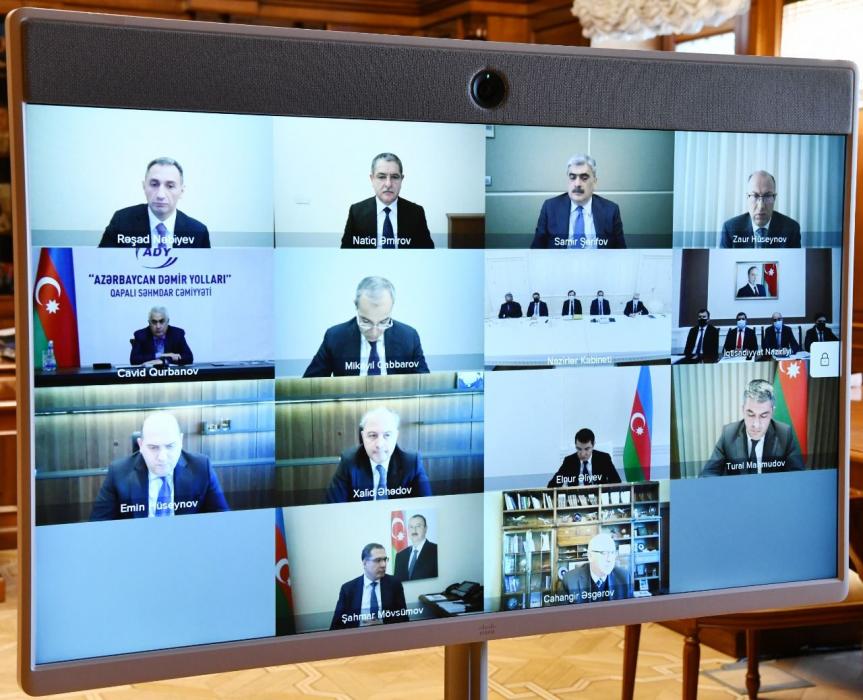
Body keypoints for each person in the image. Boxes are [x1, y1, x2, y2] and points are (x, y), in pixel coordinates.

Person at [90, 413, 228, 520]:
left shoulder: (201, 467)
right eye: (153, 447)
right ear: (141, 445)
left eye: (170, 446)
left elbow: (222, 521)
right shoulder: (118, 472)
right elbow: (99, 526)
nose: (162, 457)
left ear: (180, 441)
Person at [303, 276, 429, 377]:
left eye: (383, 322)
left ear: (392, 308)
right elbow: (309, 386)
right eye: (366, 321)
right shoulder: (334, 337)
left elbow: (425, 386)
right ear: (356, 306)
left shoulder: (409, 337)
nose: (374, 332)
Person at [99, 157, 210, 248]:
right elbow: (102, 264)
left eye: (170, 186)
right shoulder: (121, 221)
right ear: (144, 187)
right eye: (154, 184)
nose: (160, 195)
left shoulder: (198, 232)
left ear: (181, 191)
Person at [326, 407, 432, 502]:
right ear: (363, 437)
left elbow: (426, 507)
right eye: (372, 435)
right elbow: (332, 508)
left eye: (387, 435)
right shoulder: (349, 462)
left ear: (396, 436)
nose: (379, 445)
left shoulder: (412, 463)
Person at [701, 379, 804, 476]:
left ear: (772, 412)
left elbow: (798, 476)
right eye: (751, 414)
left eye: (763, 416)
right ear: (743, 410)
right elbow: (708, 474)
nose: (756, 424)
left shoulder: (785, 434)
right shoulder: (728, 434)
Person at [531, 154, 626, 249]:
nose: (577, 184)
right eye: (572, 177)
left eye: (584, 178)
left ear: (594, 182)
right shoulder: (550, 208)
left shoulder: (611, 210)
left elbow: (622, 253)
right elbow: (536, 251)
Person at [341, 153, 434, 249]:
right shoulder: (356, 212)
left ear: (401, 179)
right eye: (381, 177)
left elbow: (428, 252)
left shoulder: (416, 213)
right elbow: (345, 252)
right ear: (372, 179)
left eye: (395, 177)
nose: (388, 184)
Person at [330, 543, 409, 629]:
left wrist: (383, 624)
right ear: (365, 563)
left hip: (387, 633)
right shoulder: (348, 589)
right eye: (378, 560)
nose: (383, 565)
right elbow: (336, 625)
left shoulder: (394, 584)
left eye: (385, 559)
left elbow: (404, 619)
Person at [720, 171, 801, 248]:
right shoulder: (730, 229)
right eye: (755, 196)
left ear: (774, 198)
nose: (761, 206)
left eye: (767, 196)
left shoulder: (792, 229)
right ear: (747, 198)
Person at [562, 533, 632, 603]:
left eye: (612, 553)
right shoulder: (570, 580)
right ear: (590, 556)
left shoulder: (624, 577)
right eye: (604, 553)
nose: (610, 559)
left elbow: (631, 607)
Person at [547, 428, 621, 487]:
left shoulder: (604, 459)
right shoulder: (569, 461)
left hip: (599, 497)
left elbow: (617, 483)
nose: (582, 454)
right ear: (575, 445)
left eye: (587, 449)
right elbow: (552, 485)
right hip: (576, 498)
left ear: (593, 445)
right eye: (579, 449)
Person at [129, 306, 193, 366]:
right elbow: (134, 360)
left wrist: (164, 361)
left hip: (171, 373)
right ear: (149, 323)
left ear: (167, 321)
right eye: (154, 322)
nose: (158, 326)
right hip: (148, 374)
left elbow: (189, 357)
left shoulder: (177, 334)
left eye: (161, 321)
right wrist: (161, 355)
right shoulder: (140, 335)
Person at [394, 514, 438, 581]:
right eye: (411, 527)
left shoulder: (436, 550)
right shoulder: (400, 556)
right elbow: (397, 582)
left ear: (425, 529)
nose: (414, 530)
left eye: (418, 526)